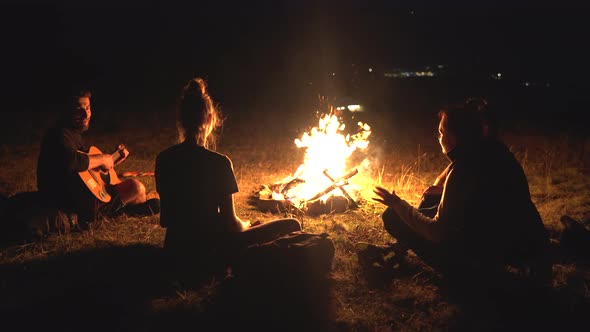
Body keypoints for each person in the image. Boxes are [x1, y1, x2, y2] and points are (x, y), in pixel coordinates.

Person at [371, 99, 552, 289]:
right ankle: (401, 248)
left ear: (454, 137)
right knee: (432, 197)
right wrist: (440, 193)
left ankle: (464, 274)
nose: (438, 136)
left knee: (392, 216)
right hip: (524, 249)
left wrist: (398, 204)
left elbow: (437, 232)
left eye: (441, 132)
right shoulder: (494, 152)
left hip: (478, 264)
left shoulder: (464, 169)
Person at [155, 77, 302, 282]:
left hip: (174, 251)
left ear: (181, 120)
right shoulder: (219, 163)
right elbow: (231, 224)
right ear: (210, 119)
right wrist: (247, 224)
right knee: (292, 224)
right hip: (211, 253)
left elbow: (166, 220)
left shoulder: (164, 159)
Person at [37, 89, 159, 226]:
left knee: (139, 194)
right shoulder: (59, 135)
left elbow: (82, 173)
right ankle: (112, 214)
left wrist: (112, 161)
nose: (86, 114)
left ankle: (128, 211)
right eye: (79, 109)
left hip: (80, 194)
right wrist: (102, 159)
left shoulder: (73, 134)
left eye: (88, 108)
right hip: (68, 202)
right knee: (135, 188)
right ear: (66, 110)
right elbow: (72, 161)